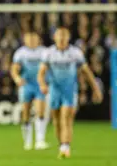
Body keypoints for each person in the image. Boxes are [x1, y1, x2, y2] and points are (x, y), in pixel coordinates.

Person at [37, 27, 102, 159]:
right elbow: (41, 73)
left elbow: (87, 73)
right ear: (54, 38)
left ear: (68, 38)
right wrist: (43, 84)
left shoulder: (75, 53)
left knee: (66, 117)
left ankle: (65, 147)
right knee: (56, 120)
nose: (61, 39)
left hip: (69, 90)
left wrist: (96, 89)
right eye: (59, 36)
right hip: (54, 90)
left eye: (64, 36)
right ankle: (62, 144)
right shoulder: (48, 53)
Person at [10, 32, 48, 151]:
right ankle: (27, 141)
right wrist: (17, 78)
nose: (32, 41)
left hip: (39, 84)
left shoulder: (44, 52)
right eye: (29, 39)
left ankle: (39, 140)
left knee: (40, 111)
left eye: (34, 39)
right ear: (25, 40)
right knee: (25, 113)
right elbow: (14, 68)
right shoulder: (21, 52)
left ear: (38, 40)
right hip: (26, 85)